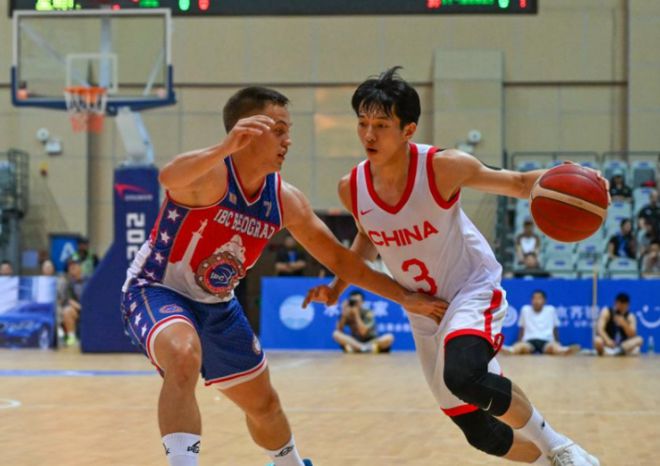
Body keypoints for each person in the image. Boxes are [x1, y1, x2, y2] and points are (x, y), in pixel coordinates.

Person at [120, 87, 446, 466]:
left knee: (265, 405)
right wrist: (225, 147)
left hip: (218, 305)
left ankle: (290, 463)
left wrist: (404, 297)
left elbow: (341, 260)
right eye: (278, 130)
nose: (287, 141)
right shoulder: (211, 176)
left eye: (288, 131)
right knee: (182, 354)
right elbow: (169, 176)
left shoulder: (284, 200)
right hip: (157, 289)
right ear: (246, 132)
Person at [305, 67, 600, 465]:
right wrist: (336, 287)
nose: (369, 135)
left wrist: (582, 180)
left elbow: (517, 183)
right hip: (422, 306)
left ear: (408, 130)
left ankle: (561, 447)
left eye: (381, 125)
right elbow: (367, 238)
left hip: (469, 287)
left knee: (464, 376)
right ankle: (547, 461)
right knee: (480, 434)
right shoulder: (351, 188)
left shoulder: (442, 167)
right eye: (362, 123)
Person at [504, 290, 579, 355]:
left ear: (544, 300)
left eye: (539, 298)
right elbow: (522, 329)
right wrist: (519, 342)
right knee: (521, 347)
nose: (536, 301)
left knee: (553, 348)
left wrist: (557, 342)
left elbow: (555, 329)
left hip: (547, 341)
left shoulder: (551, 310)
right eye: (534, 298)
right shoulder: (525, 310)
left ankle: (562, 350)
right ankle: (511, 350)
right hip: (529, 341)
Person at [57, 255, 86, 346]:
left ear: (80, 266)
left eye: (75, 264)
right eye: (70, 265)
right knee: (67, 311)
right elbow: (69, 300)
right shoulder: (67, 283)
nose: (72, 267)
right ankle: (72, 339)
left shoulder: (90, 279)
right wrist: (81, 308)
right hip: (77, 310)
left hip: (91, 309)